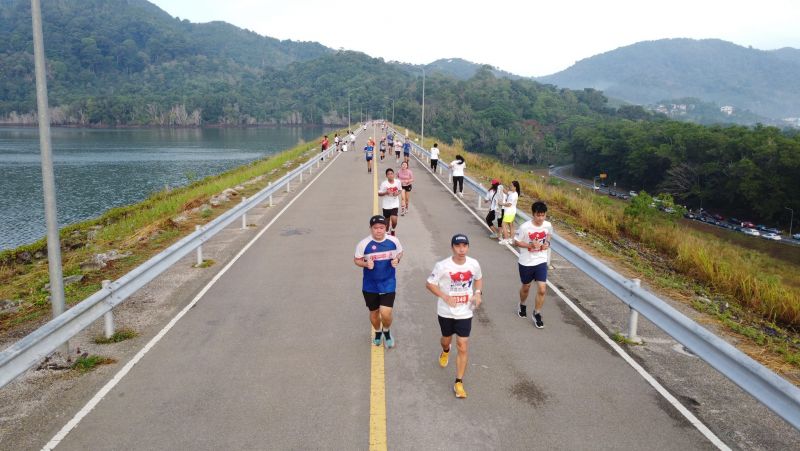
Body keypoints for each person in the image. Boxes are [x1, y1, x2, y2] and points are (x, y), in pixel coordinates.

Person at [426, 234, 483, 399]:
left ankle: (459, 382)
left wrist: (478, 293)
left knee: (463, 345)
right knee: (446, 339)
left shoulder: (474, 264)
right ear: (452, 247)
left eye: (465, 246)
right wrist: (445, 297)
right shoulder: (442, 266)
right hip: (446, 311)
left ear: (468, 247)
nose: (461, 249)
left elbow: (478, 279)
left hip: (465, 311)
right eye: (458, 246)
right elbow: (429, 284)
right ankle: (445, 350)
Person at [354, 215, 403, 348]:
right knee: (374, 313)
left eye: (381, 228)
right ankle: (377, 332)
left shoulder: (394, 241)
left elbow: (400, 253)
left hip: (388, 282)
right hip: (370, 285)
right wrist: (365, 264)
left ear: (386, 228)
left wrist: (397, 260)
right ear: (371, 228)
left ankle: (386, 331)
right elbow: (357, 260)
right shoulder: (363, 244)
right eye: (375, 228)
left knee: (386, 313)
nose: (379, 231)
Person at [513, 202, 552, 329]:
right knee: (526, 287)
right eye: (538, 215)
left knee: (542, 288)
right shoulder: (525, 227)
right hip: (526, 262)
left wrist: (547, 244)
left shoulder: (548, 225)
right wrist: (529, 245)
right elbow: (516, 242)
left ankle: (537, 313)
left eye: (543, 215)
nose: (541, 218)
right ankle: (522, 304)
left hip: (541, 260)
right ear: (533, 214)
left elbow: (548, 236)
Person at [379, 168, 403, 235]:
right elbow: (379, 194)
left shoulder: (397, 182)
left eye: (391, 174)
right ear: (386, 176)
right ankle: (387, 232)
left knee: (394, 220)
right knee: (386, 222)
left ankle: (393, 230)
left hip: (394, 204)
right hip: (386, 205)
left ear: (394, 174)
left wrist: (397, 193)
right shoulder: (384, 184)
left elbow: (400, 190)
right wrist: (386, 193)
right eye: (388, 174)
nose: (390, 175)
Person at [499, 181, 520, 245]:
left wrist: (501, 203)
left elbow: (509, 204)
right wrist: (501, 187)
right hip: (511, 212)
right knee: (511, 225)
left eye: (511, 186)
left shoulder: (514, 195)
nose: (510, 186)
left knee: (503, 224)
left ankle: (506, 239)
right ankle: (511, 239)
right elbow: (506, 192)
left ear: (515, 187)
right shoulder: (512, 193)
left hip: (509, 212)